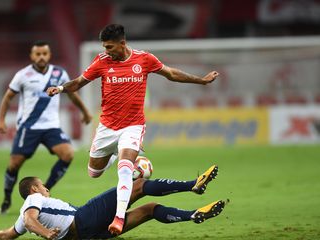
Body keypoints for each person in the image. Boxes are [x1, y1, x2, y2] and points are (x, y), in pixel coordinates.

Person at [46, 24, 219, 234]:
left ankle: (118, 217)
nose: (106, 51)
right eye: (104, 47)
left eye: (110, 47)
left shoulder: (144, 59)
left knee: (125, 169)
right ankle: (116, 154)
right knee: (94, 172)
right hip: (107, 128)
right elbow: (79, 82)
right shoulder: (102, 61)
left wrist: (201, 81)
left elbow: (171, 73)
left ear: (123, 43)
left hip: (133, 126)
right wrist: (62, 88)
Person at [0, 165, 225, 240]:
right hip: (84, 219)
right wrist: (46, 234)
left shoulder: (30, 208)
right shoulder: (34, 200)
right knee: (137, 186)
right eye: (43, 185)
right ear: (34, 188)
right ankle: (192, 184)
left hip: (90, 234)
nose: (46, 188)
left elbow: (10, 233)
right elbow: (28, 220)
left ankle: (192, 215)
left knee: (149, 210)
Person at [0, 40, 92, 215]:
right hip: (28, 127)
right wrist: (1, 120)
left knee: (68, 154)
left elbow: (72, 94)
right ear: (32, 56)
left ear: (49, 55)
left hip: (51, 127)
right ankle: (7, 198)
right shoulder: (23, 75)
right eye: (37, 54)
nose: (41, 57)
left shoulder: (59, 73)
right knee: (14, 165)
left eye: (44, 54)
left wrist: (85, 112)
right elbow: (8, 97)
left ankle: (45, 189)